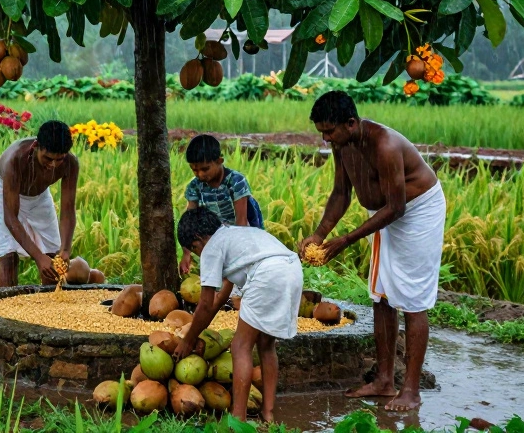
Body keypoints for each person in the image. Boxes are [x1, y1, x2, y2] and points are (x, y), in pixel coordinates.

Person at [298, 90, 445, 412]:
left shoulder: (384, 144)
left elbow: (396, 207)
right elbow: (341, 192)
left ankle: (411, 390)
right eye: (321, 132)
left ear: (351, 123)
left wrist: (346, 239)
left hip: (416, 212)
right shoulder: (342, 145)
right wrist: (320, 234)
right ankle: (384, 380)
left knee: (413, 300)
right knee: (382, 297)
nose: (325, 139)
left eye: (329, 131)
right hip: (384, 215)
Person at [174, 208, 301, 423]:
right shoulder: (233, 235)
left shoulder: (211, 248)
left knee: (240, 346)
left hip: (267, 274)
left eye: (194, 249)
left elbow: (205, 304)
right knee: (266, 343)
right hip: (292, 270)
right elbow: (220, 297)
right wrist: (197, 331)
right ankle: (267, 413)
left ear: (197, 239)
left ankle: (238, 418)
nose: (197, 254)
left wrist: (188, 339)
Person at [0, 120, 78, 287]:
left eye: (59, 159)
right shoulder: (15, 159)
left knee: (54, 256)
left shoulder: (70, 164)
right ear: (36, 146)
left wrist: (66, 249)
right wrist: (38, 257)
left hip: (39, 195)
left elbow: (67, 210)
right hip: (6, 188)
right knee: (9, 255)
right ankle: (5, 308)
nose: (52, 165)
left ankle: (51, 308)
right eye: (47, 158)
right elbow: (10, 218)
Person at [179, 134, 265, 275]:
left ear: (219, 161)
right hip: (215, 236)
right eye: (194, 170)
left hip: (243, 233)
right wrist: (186, 254)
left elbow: (241, 221)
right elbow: (189, 222)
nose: (200, 174)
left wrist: (238, 255)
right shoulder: (195, 186)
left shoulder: (235, 182)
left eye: (205, 169)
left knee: (242, 273)